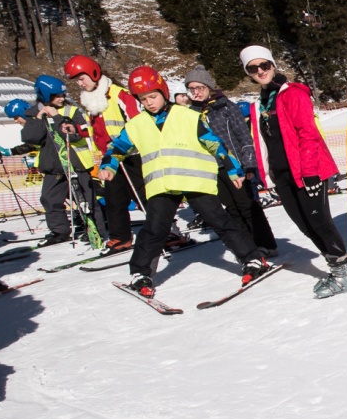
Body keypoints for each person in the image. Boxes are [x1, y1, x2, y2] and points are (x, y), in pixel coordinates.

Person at [97, 67, 269, 298]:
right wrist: (108, 166)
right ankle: (141, 273)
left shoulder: (187, 116)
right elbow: (117, 148)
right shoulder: (136, 125)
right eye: (143, 99)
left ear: (164, 92)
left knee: (220, 220)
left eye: (153, 96)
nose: (149, 102)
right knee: (154, 229)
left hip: (194, 181)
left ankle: (253, 260)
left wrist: (233, 170)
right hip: (162, 185)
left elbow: (215, 144)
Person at [240, 46, 347, 298]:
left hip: (306, 171)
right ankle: (335, 268)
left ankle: (346, 274)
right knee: (304, 225)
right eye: (253, 68)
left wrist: (311, 172)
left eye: (264, 65)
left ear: (273, 65)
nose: (260, 71)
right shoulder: (260, 101)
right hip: (283, 175)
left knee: (320, 222)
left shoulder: (292, 94)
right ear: (248, 72)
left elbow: (308, 133)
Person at [0, 76, 103, 247]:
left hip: (76, 163)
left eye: (62, 95)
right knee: (49, 199)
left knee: (85, 199)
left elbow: (75, 135)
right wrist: (39, 118)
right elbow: (31, 138)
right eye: (56, 96)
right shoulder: (33, 114)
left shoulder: (71, 111)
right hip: (53, 166)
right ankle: (59, 231)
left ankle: (96, 229)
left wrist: (56, 117)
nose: (61, 99)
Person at [185, 64, 277, 255]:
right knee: (232, 210)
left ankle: (266, 244)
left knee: (247, 206)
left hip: (236, 166)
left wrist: (249, 164)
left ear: (209, 87)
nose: (196, 92)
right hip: (212, 170)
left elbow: (244, 137)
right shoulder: (189, 115)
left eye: (200, 87)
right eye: (192, 89)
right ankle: (248, 248)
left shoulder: (226, 107)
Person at [64, 54, 144, 249]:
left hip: (131, 155)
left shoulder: (119, 95)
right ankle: (121, 236)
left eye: (82, 79)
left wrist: (125, 141)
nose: (80, 84)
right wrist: (78, 130)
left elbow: (137, 122)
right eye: (77, 81)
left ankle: (168, 230)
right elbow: (96, 129)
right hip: (110, 158)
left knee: (144, 195)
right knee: (114, 199)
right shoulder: (91, 101)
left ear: (93, 73)